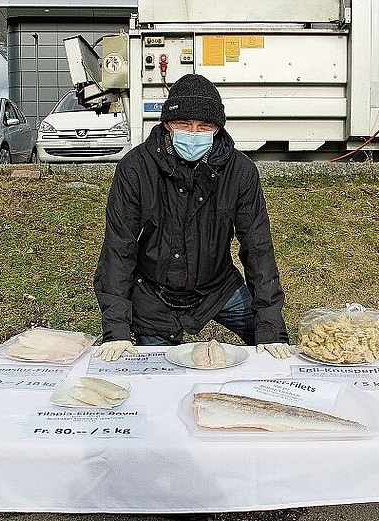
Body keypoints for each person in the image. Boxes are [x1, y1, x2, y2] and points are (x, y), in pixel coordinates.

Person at [93, 73, 292, 362]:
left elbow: (258, 248)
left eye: (204, 126)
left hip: (218, 288)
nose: (193, 133)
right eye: (183, 124)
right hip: (153, 294)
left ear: (217, 129)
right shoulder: (135, 168)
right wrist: (116, 331)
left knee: (272, 353)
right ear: (166, 124)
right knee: (158, 374)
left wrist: (270, 328)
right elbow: (118, 248)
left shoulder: (241, 171)